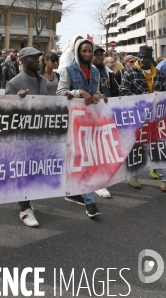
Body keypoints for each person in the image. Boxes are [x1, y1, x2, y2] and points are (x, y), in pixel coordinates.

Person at [56, 39, 104, 218]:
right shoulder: (67, 71)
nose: (87, 54)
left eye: (89, 51)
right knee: (83, 159)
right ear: (77, 52)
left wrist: (97, 95)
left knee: (84, 159)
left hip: (91, 122)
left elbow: (97, 91)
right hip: (74, 122)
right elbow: (60, 93)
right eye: (84, 51)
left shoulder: (95, 72)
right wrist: (78, 93)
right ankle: (90, 201)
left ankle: (74, 192)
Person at [4, 47, 47, 228]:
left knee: (35, 170)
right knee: (23, 170)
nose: (38, 60)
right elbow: (5, 110)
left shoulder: (43, 80)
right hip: (22, 135)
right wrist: (17, 100)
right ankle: (24, 209)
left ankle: (28, 200)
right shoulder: (14, 83)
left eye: (39, 57)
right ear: (22, 59)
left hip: (41, 133)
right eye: (33, 58)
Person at [119, 45, 166, 191]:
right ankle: (133, 175)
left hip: (155, 118)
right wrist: (143, 101)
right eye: (140, 57)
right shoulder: (130, 73)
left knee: (158, 146)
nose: (142, 59)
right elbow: (123, 91)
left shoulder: (158, 74)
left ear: (150, 58)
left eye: (145, 57)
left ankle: (164, 179)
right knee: (135, 146)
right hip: (137, 116)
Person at [91, 44, 119, 199]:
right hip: (93, 113)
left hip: (106, 112)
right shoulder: (90, 70)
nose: (99, 57)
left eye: (101, 54)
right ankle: (97, 182)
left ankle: (102, 178)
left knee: (105, 146)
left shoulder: (107, 71)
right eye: (97, 55)